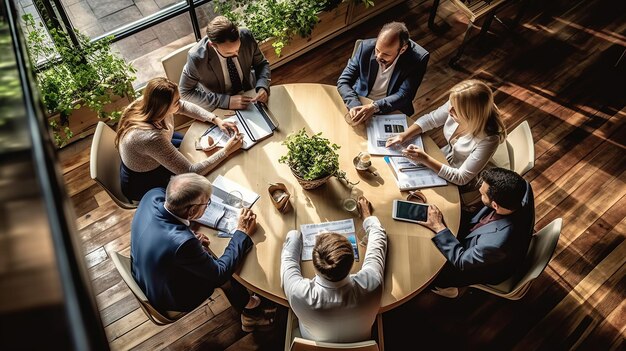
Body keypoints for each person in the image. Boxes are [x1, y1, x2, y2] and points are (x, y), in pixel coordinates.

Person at [130, 173, 273, 331]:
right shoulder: (183, 244)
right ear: (190, 211)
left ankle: (248, 304)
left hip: (143, 270)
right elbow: (219, 273)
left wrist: (189, 238)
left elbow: (165, 234)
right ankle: (251, 313)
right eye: (207, 203)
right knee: (225, 273)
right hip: (168, 294)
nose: (208, 205)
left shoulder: (152, 195)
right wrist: (241, 231)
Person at [115, 77, 243, 202]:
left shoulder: (149, 102)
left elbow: (184, 106)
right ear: (163, 108)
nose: (180, 103)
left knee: (196, 150)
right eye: (176, 102)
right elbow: (192, 172)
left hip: (151, 150)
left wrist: (215, 119)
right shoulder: (151, 138)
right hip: (144, 180)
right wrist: (227, 150)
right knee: (197, 186)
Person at [281, 197, 387, 343]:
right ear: (352, 263)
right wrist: (367, 216)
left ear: (315, 265)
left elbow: (288, 260)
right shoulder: (372, 283)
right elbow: (379, 238)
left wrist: (295, 234)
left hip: (312, 343)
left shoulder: (298, 293)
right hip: (362, 341)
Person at [416, 167, 535, 298]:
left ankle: (450, 289)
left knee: (427, 272)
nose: (479, 191)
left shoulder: (496, 244)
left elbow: (461, 260)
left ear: (495, 205)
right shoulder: (522, 188)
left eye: (483, 194)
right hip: (480, 237)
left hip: (479, 268)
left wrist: (439, 227)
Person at [386, 79, 508, 204]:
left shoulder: (489, 139)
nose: (449, 111)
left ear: (471, 115)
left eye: (455, 110)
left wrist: (426, 159)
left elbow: (461, 178)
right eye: (450, 104)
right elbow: (431, 119)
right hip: (444, 158)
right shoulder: (457, 103)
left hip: (461, 178)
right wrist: (404, 135)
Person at [337, 21, 429, 125]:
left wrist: (375, 107)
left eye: (386, 54)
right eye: (377, 50)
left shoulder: (417, 60)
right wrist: (354, 104)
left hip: (392, 109)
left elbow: (404, 95)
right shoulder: (365, 48)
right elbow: (343, 81)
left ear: (402, 50)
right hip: (361, 101)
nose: (379, 56)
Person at [179, 15, 271, 111]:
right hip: (219, 106)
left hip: (250, 94)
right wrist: (226, 102)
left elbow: (261, 64)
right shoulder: (197, 58)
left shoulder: (246, 36)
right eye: (229, 53)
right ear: (212, 45)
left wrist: (262, 86)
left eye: (238, 49)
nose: (236, 54)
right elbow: (185, 92)